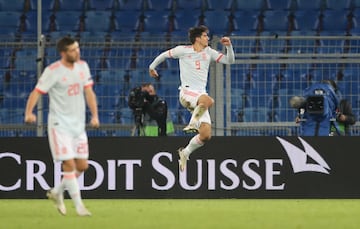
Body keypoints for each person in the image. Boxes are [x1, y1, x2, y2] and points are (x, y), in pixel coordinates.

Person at [24, 36, 99, 216]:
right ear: (63, 53)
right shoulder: (53, 71)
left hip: (78, 125)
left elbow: (89, 92)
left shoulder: (83, 67)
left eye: (77, 48)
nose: (77, 52)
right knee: (69, 164)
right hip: (59, 125)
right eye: (73, 50)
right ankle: (79, 206)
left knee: (82, 166)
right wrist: (28, 112)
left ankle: (58, 191)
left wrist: (95, 115)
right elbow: (37, 92)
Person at [148, 25, 235, 171]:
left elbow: (229, 61)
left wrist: (229, 47)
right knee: (209, 100)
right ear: (198, 38)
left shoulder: (209, 52)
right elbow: (164, 55)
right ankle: (193, 122)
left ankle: (185, 152)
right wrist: (152, 67)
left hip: (199, 98)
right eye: (205, 36)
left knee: (206, 135)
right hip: (187, 93)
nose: (208, 38)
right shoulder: (183, 50)